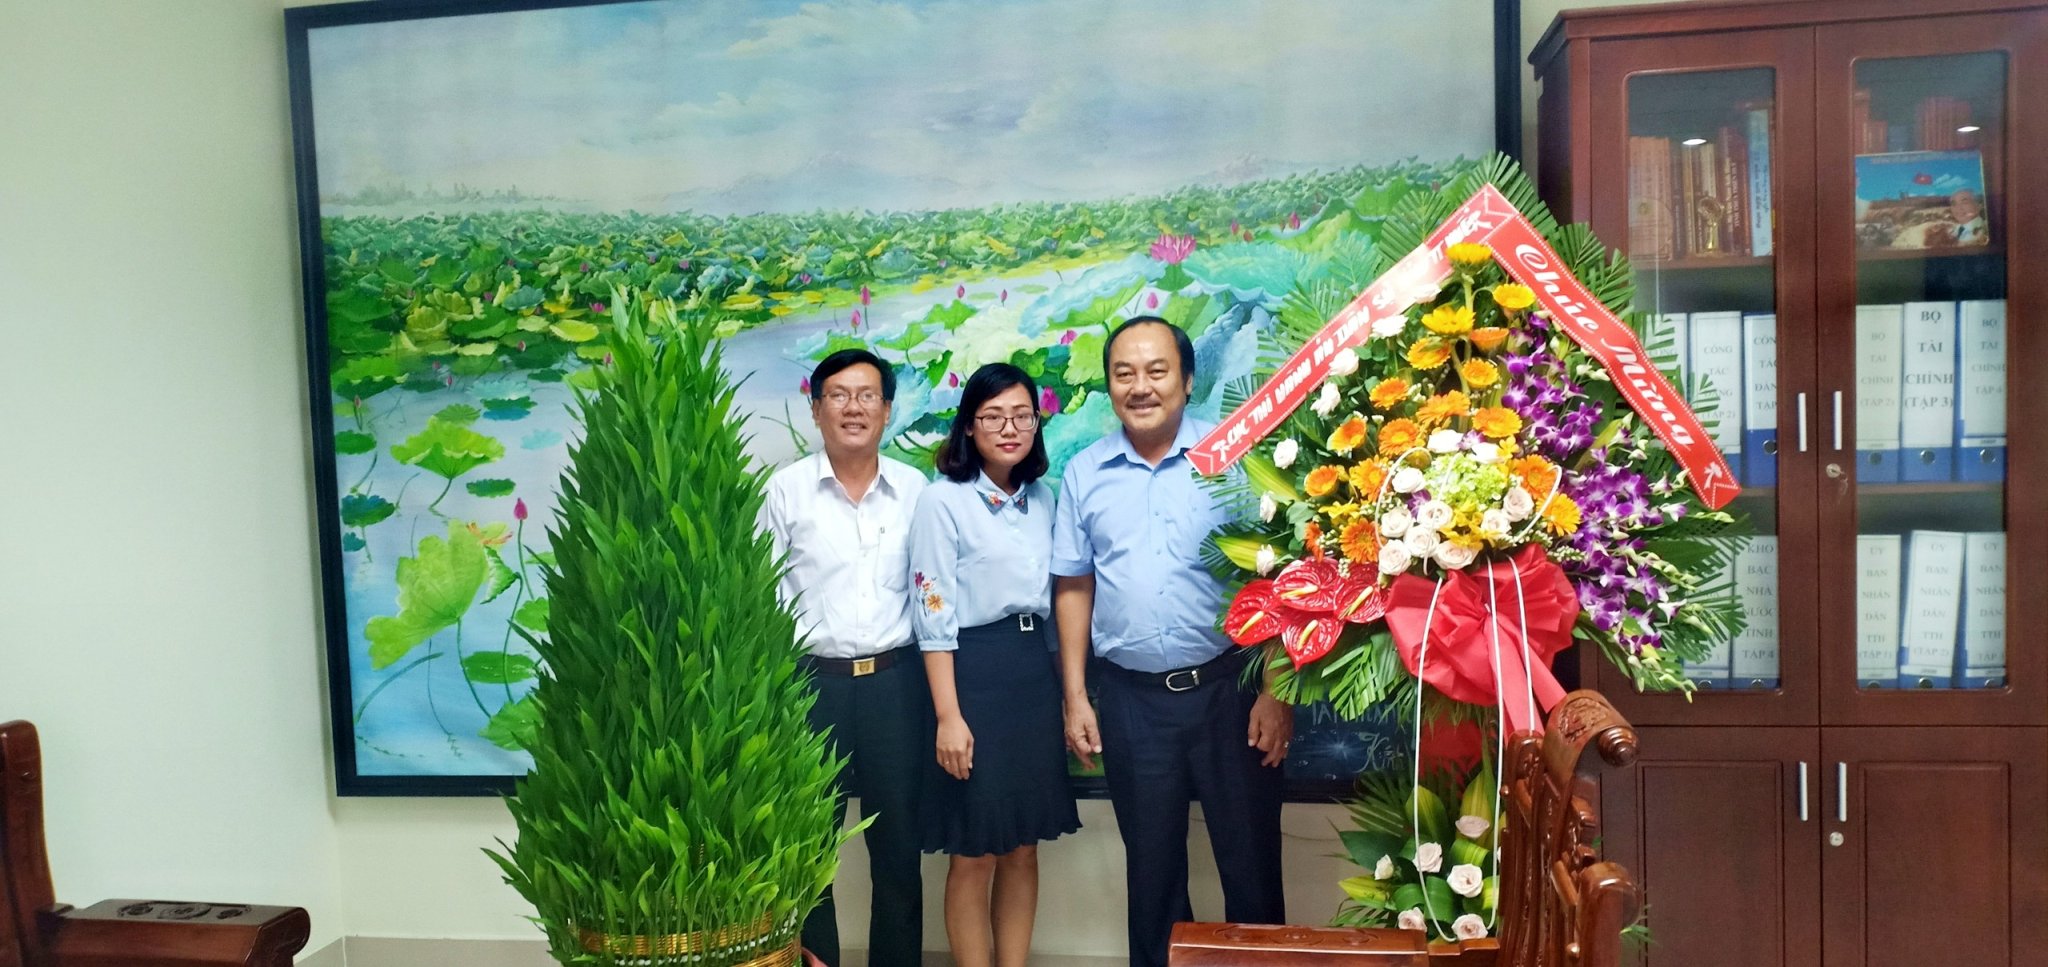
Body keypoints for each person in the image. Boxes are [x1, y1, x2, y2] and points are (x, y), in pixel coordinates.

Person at [1049, 316, 1293, 967]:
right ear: (1109, 385)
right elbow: (1073, 586)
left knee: (1252, 868)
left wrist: (1276, 690)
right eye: (1124, 373)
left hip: (1231, 692)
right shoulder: (1085, 473)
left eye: (1157, 371)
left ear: (1186, 380)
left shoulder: (1230, 459)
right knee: (1152, 877)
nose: (1141, 386)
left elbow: (1275, 577)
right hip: (1132, 703)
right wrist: (1076, 696)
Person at [758, 348, 928, 967]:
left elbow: (931, 589)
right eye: (838, 395)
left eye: (867, 395)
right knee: (810, 847)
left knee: (899, 849)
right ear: (816, 409)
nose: (853, 407)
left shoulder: (915, 490)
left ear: (886, 409)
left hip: (895, 685)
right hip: (812, 687)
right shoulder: (785, 491)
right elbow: (764, 596)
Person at [910, 363, 1082, 967]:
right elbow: (931, 612)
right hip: (972, 677)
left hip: (1032, 676)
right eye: (993, 416)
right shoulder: (942, 501)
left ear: (1036, 423)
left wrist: (1069, 699)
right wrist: (948, 716)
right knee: (975, 851)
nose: (1009, 428)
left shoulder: (1044, 499)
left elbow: (1059, 603)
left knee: (1023, 846)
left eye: (1022, 416)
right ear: (968, 425)